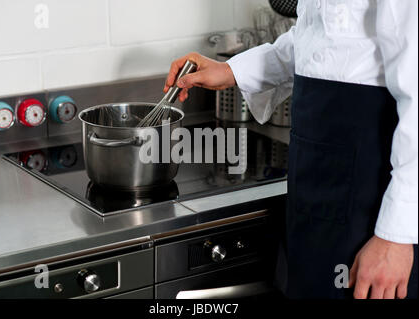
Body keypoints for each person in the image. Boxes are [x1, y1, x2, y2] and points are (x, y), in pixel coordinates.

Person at [164, 0, 418, 299]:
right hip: (316, 184)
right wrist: (232, 69)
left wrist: (396, 238)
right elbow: (317, 40)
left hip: (371, 202)